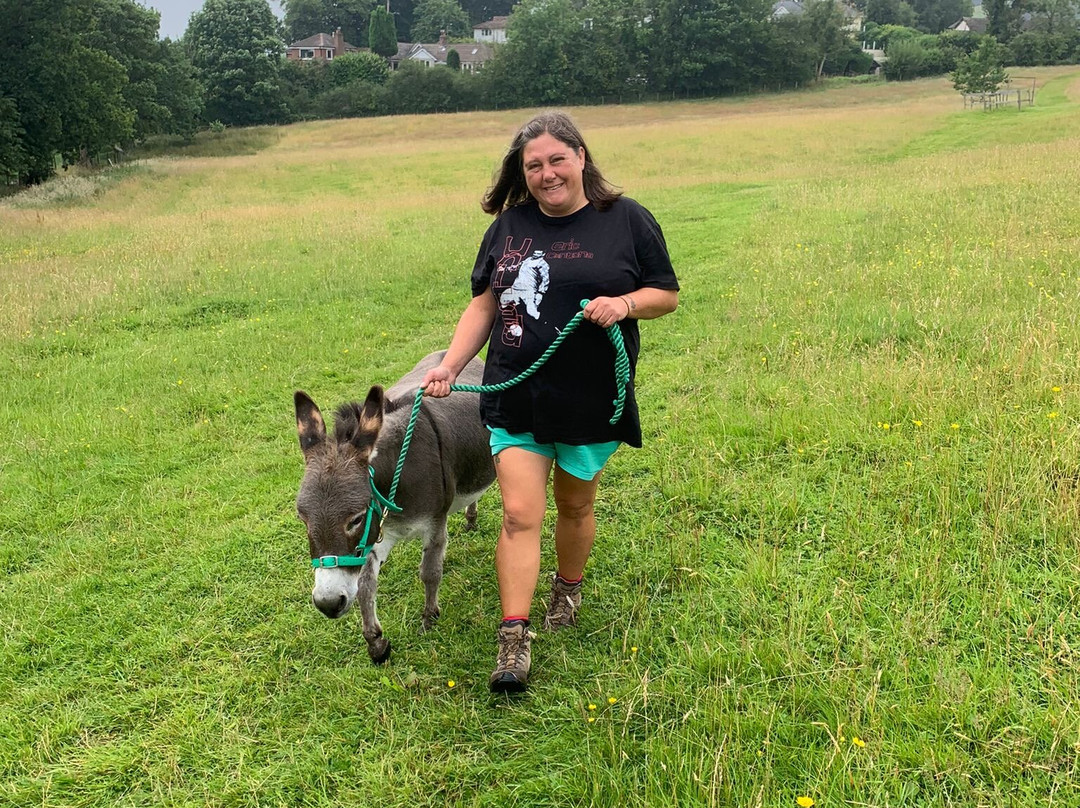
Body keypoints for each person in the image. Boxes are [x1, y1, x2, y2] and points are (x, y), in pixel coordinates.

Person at [421, 111, 679, 693]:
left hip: (591, 398)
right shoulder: (509, 228)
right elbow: (485, 306)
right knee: (517, 514)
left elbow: (666, 295)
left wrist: (626, 305)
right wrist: (450, 365)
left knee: (575, 505)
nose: (546, 173)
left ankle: (568, 584)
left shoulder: (627, 219)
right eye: (532, 165)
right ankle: (513, 637)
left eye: (556, 159)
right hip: (517, 392)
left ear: (581, 157)